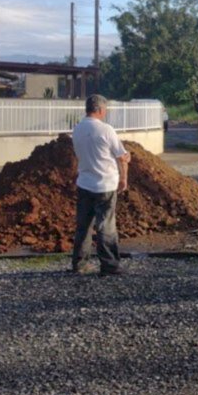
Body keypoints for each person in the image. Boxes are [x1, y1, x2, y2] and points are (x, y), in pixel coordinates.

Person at [71, 94, 130, 277]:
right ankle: (110, 265)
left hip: (84, 183)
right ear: (100, 109)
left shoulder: (78, 129)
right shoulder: (106, 130)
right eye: (105, 110)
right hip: (105, 184)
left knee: (83, 226)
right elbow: (122, 156)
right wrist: (124, 178)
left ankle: (80, 264)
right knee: (106, 226)